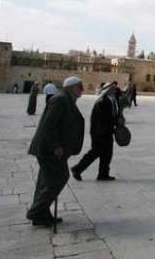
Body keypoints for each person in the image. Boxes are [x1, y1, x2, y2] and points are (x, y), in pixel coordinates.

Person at [26, 76, 85, 226]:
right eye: (79, 87)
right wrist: (56, 146)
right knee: (58, 178)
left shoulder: (66, 98)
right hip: (50, 150)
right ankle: (36, 212)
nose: (82, 90)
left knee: (45, 182)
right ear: (71, 87)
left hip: (51, 150)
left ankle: (41, 213)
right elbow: (49, 125)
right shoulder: (61, 99)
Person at [72, 83, 121, 181]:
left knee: (106, 153)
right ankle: (77, 169)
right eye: (113, 90)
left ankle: (103, 174)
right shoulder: (103, 101)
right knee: (95, 152)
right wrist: (116, 121)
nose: (115, 91)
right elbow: (105, 118)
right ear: (108, 91)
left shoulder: (109, 100)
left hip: (105, 131)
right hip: (100, 132)